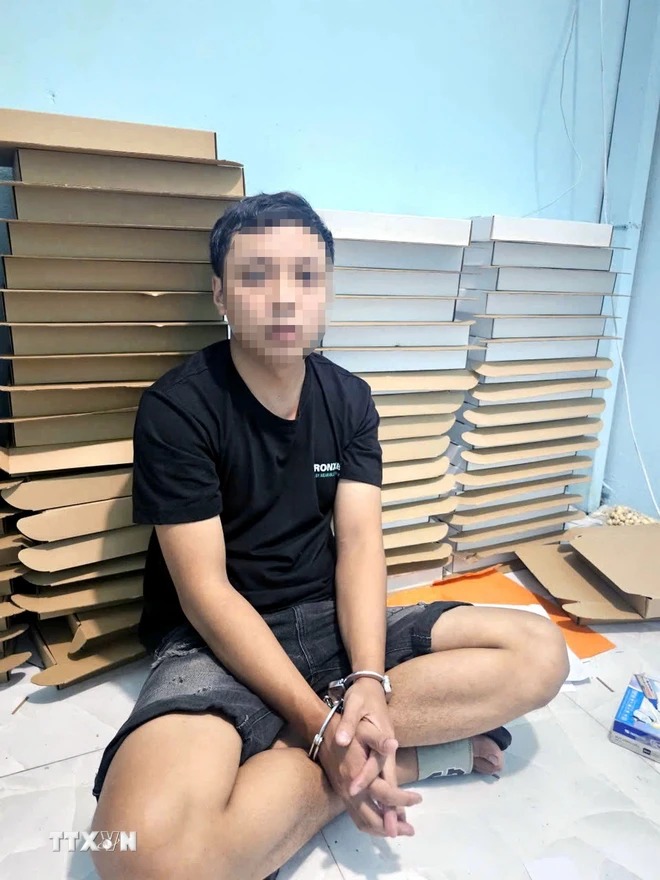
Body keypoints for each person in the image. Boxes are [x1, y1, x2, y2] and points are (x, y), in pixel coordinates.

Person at [90, 192, 569, 880]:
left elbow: (361, 546)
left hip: (332, 623)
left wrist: (369, 679)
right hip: (219, 640)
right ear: (220, 294)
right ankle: (383, 760)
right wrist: (320, 728)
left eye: (306, 276)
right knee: (140, 856)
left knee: (539, 653)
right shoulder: (178, 408)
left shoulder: (349, 399)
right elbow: (205, 593)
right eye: (256, 276)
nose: (285, 297)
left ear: (327, 290)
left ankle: (330, 746)